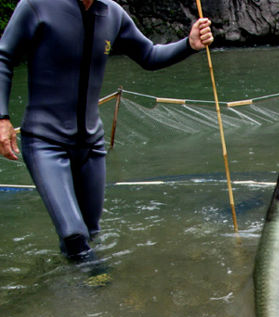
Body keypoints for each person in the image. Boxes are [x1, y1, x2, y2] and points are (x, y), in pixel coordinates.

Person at [0, 0, 214, 261]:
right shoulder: (37, 5)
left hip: (91, 145)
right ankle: (94, 289)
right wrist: (2, 118)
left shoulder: (112, 13)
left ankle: (73, 291)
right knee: (74, 236)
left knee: (91, 233)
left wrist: (188, 45)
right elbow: (3, 56)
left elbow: (148, 55)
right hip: (45, 143)